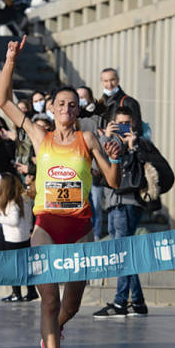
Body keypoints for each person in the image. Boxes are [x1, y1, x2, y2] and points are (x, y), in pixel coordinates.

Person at [0, 36, 122, 348]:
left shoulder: (89, 140)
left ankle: (52, 331)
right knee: (49, 301)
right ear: (51, 109)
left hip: (81, 229)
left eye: (72, 103)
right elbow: (2, 100)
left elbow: (111, 181)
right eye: (60, 103)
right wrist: (10, 61)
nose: (66, 107)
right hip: (46, 227)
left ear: (79, 110)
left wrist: (113, 156)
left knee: (71, 305)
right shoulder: (39, 136)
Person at [92, 106, 152, 318]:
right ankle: (137, 301)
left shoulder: (140, 143)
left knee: (122, 254)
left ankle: (120, 302)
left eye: (128, 122)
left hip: (128, 202)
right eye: (120, 123)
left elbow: (140, 172)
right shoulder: (110, 143)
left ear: (134, 123)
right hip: (113, 202)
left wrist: (133, 147)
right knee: (124, 253)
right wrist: (105, 139)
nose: (124, 127)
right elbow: (96, 164)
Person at [0, 173, 38, 302]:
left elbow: (13, 220)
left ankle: (16, 293)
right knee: (25, 266)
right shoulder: (24, 199)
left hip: (13, 238)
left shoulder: (13, 201)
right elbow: (26, 217)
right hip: (24, 236)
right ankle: (31, 291)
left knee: (14, 267)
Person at [76, 86, 105, 239]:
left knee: (97, 206)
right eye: (78, 96)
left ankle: (97, 236)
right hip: (78, 171)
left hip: (94, 171)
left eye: (83, 97)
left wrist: (96, 167)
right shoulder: (72, 118)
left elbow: (99, 144)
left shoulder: (97, 118)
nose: (80, 100)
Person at [94, 68, 142, 133]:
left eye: (112, 80)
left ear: (118, 80)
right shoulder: (100, 102)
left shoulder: (128, 102)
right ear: (102, 82)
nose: (109, 84)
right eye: (106, 81)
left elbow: (136, 128)